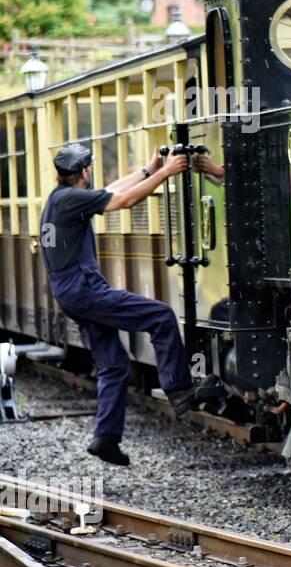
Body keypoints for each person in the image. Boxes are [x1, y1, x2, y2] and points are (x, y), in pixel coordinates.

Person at [39, 143, 214, 466]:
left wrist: (148, 170)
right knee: (161, 316)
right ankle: (179, 389)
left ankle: (105, 438)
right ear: (86, 171)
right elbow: (124, 200)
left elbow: (111, 191)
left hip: (70, 294)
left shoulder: (60, 198)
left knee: (114, 364)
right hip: (85, 290)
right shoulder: (71, 200)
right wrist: (166, 172)